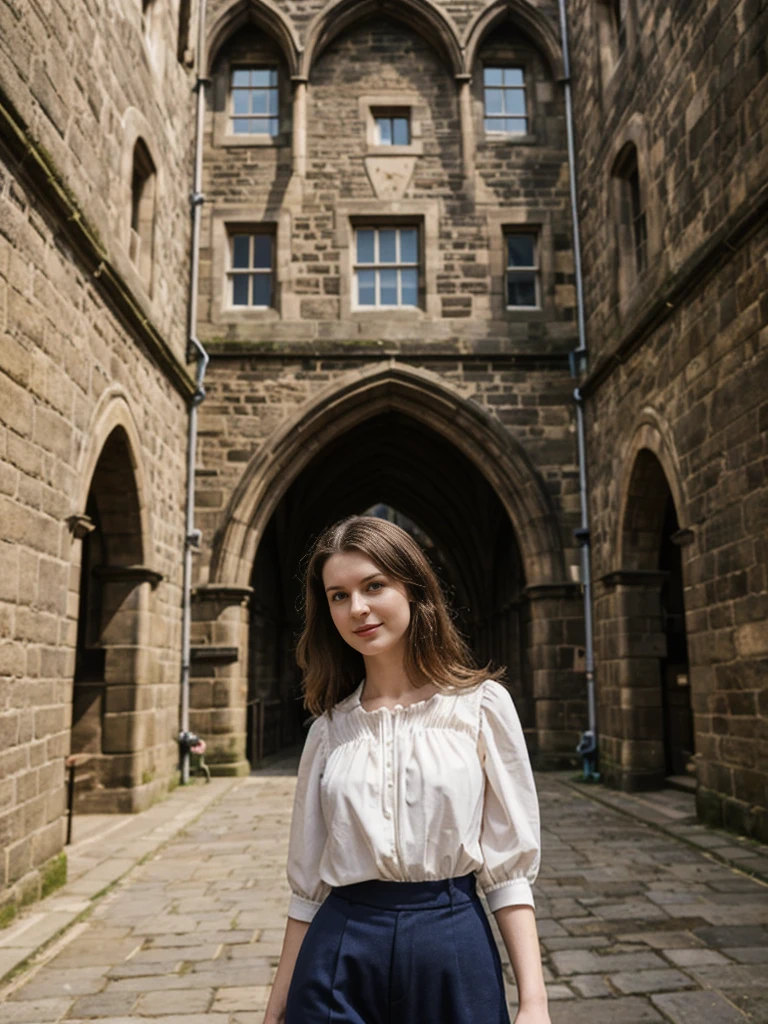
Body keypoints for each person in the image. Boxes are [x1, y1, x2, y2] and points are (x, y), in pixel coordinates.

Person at [264, 515, 549, 1024]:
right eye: (338, 595)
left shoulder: (481, 708)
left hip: (452, 946)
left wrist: (534, 1001)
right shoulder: (328, 732)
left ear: (414, 590)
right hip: (340, 952)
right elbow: (307, 887)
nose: (358, 608)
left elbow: (508, 872)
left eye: (374, 586)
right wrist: (276, 1005)